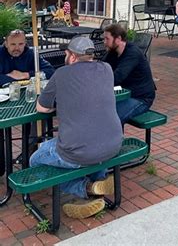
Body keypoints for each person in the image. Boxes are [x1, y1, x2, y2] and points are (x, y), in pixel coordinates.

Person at [31, 36, 123, 219]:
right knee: (90, 147)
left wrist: (61, 103)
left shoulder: (62, 74)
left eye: (66, 54)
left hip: (80, 151)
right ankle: (97, 186)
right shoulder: (107, 69)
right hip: (113, 145)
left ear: (72, 57)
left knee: (35, 161)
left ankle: (83, 187)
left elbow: (41, 107)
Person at [103, 23, 156, 124]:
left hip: (141, 98)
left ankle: (115, 134)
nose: (104, 42)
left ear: (118, 39)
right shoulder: (113, 51)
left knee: (112, 119)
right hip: (125, 94)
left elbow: (117, 77)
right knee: (100, 111)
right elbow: (101, 67)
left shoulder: (132, 53)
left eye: (107, 39)